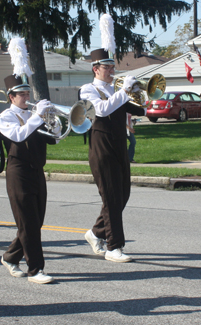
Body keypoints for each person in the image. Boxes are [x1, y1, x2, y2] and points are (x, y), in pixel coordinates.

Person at [79, 49, 146, 263]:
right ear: (95, 69)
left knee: (123, 194)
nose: (111, 70)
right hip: (101, 144)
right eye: (106, 67)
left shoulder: (114, 89)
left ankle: (95, 232)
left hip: (119, 143)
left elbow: (139, 111)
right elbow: (102, 110)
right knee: (110, 197)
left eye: (112, 66)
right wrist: (125, 90)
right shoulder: (88, 89)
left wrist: (141, 94)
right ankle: (113, 246)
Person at [0, 74, 59, 284]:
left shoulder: (35, 115)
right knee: (28, 222)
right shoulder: (6, 117)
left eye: (27, 93)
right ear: (11, 97)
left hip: (37, 170)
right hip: (18, 172)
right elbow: (19, 135)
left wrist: (53, 121)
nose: (26, 97)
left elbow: (54, 139)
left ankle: (10, 256)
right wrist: (38, 116)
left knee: (35, 221)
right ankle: (35, 269)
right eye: (21, 94)